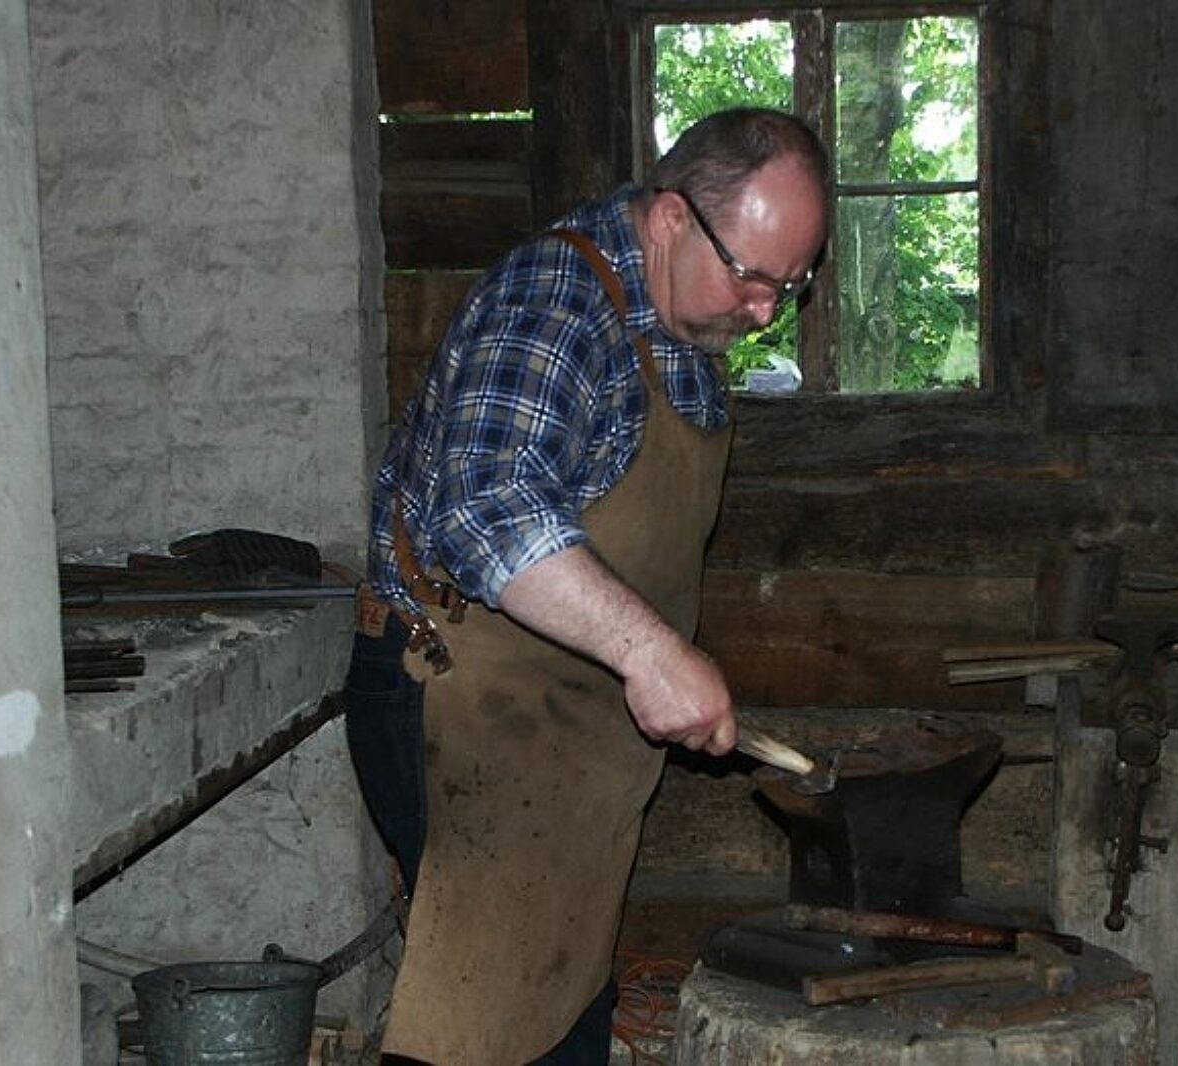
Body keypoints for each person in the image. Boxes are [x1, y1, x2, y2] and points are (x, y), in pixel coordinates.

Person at [344, 107, 828, 1065]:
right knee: (486, 1027)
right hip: (464, 709)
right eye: (752, 276)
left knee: (565, 1005)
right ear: (670, 219)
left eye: (791, 284)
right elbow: (485, 506)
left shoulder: (680, 323)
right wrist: (651, 652)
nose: (767, 311)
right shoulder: (554, 303)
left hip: (573, 728)